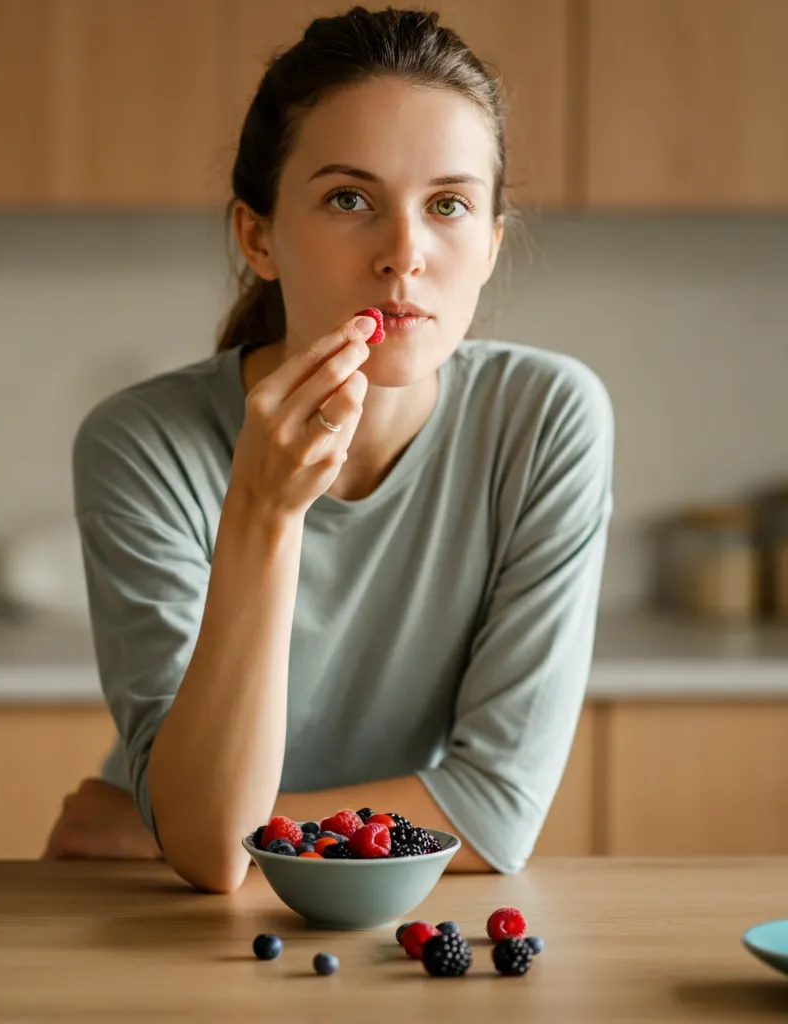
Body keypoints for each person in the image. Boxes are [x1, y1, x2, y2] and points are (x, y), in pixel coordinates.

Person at [43, 6, 614, 893]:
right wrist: (265, 512)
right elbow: (209, 861)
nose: (405, 254)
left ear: (493, 244)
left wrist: (181, 828)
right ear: (258, 235)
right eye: (350, 200)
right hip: (159, 914)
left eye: (450, 205)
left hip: (314, 894)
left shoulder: (546, 418)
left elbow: (495, 809)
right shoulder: (142, 444)